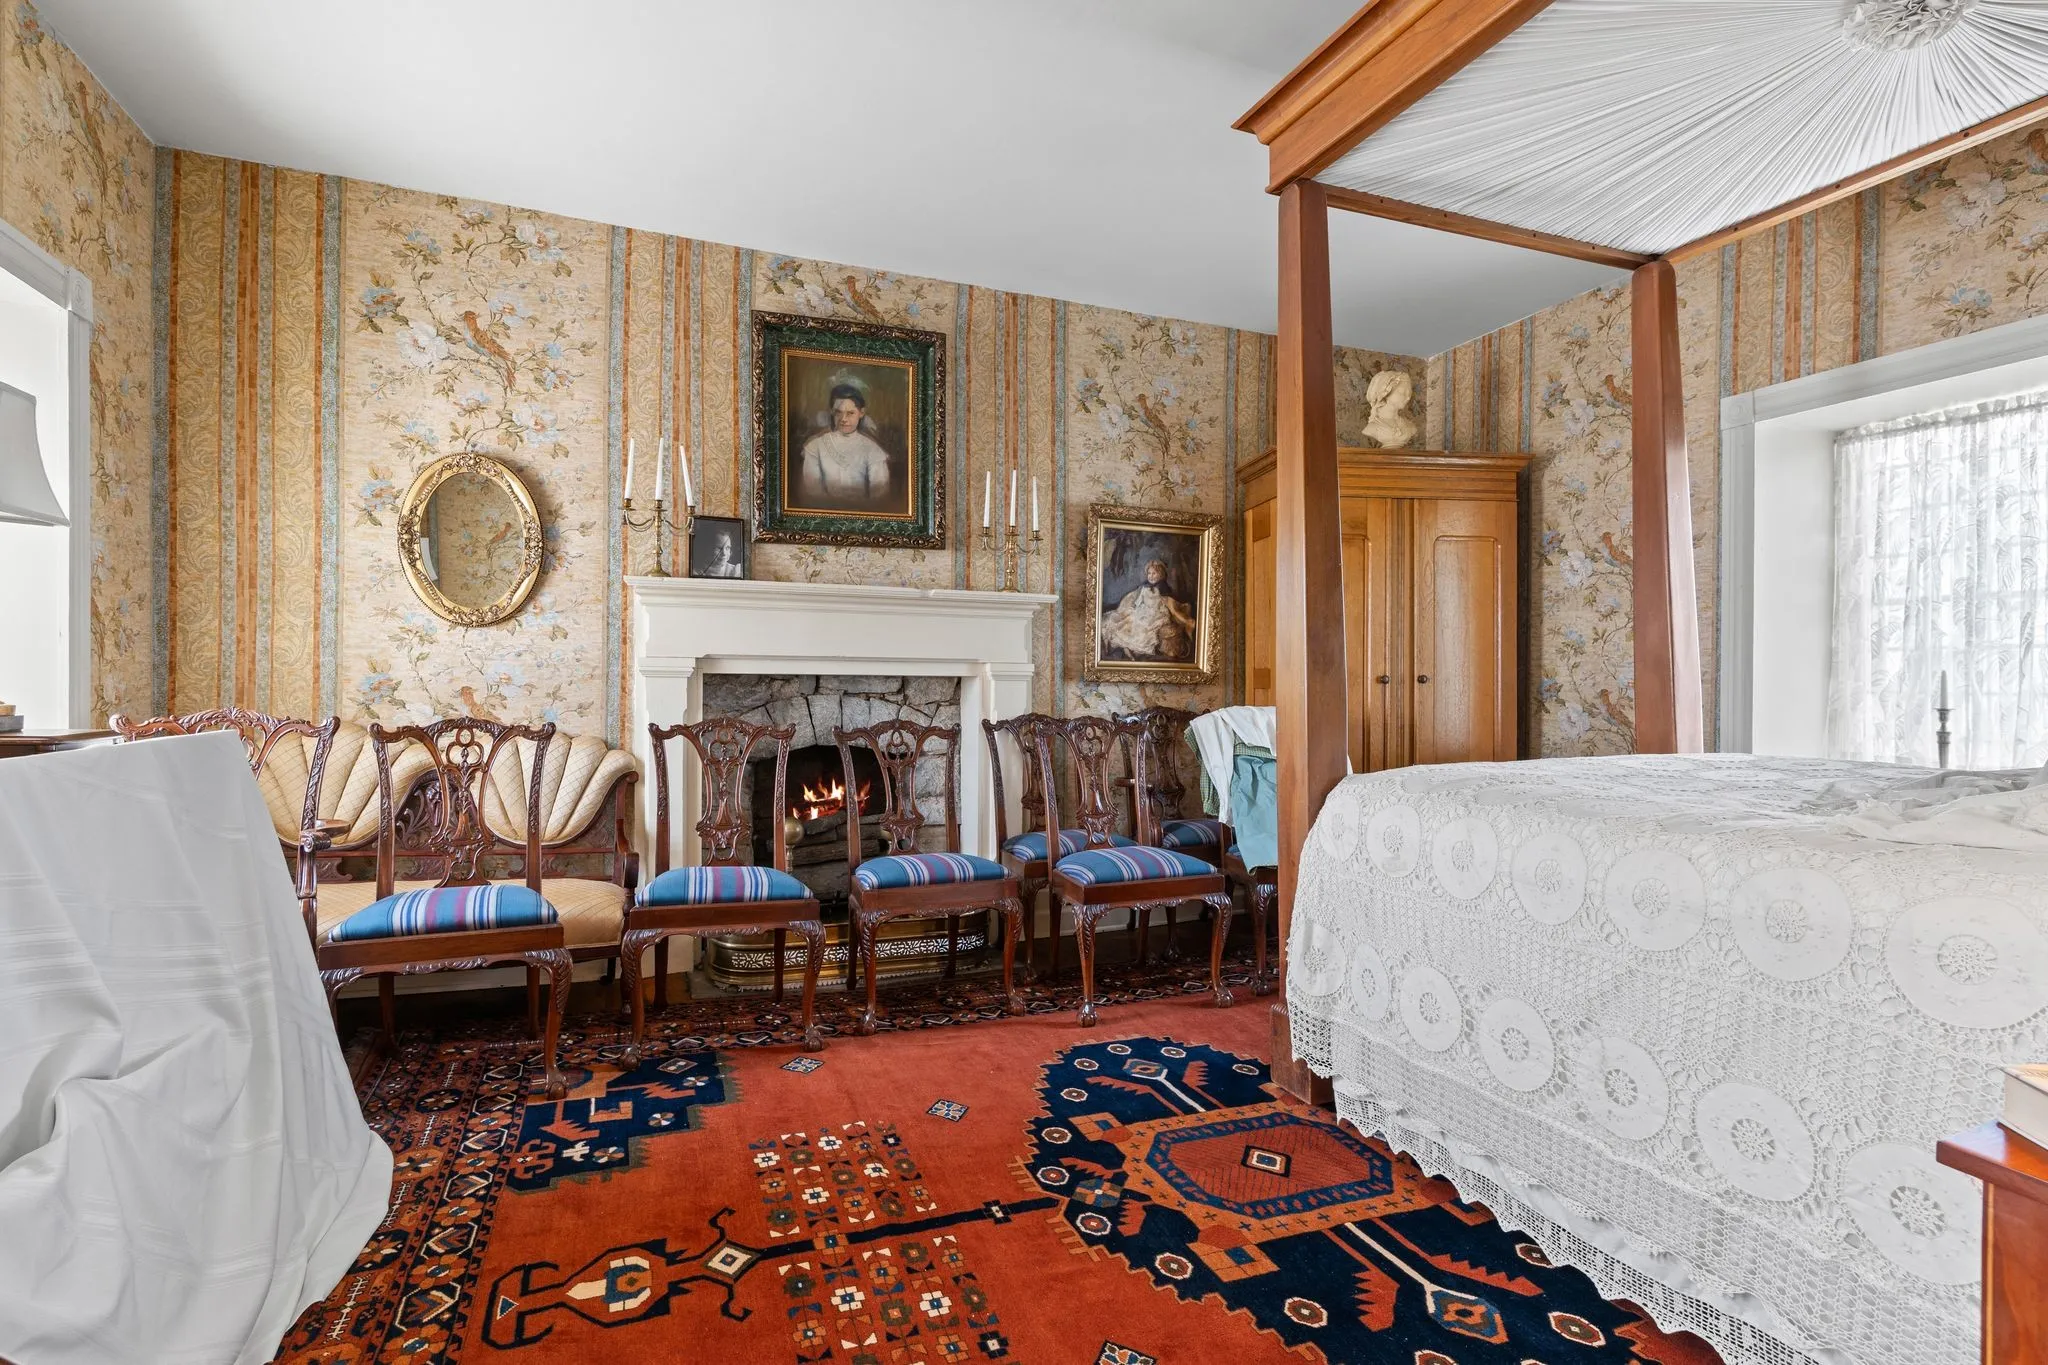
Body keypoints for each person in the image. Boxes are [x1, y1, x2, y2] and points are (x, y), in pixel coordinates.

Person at [798, 383, 894, 509]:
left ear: (861, 413)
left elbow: (879, 497)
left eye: (850, 413)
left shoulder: (873, 451)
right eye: (838, 412)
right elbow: (813, 494)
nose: (843, 419)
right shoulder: (814, 447)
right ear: (832, 412)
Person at [1099, 557, 1197, 662]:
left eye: (1154, 573)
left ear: (1161, 574)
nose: (1151, 576)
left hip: (1156, 614)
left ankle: (1132, 648)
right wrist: (1134, 608)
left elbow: (1170, 605)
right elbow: (1138, 601)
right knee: (1127, 622)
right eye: (1149, 573)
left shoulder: (1163, 589)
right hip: (1143, 612)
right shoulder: (1144, 587)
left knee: (1144, 629)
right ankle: (1126, 646)